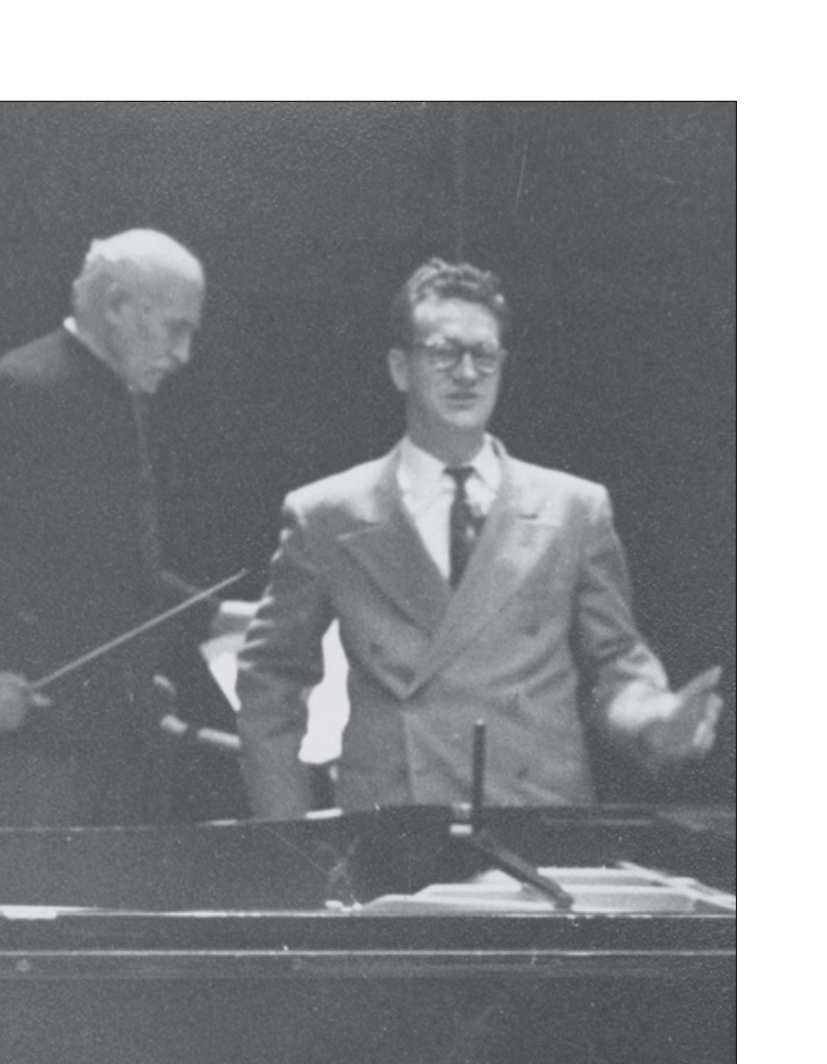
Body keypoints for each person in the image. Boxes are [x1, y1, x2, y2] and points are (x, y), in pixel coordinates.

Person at [236, 259, 722, 819]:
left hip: (540, 825)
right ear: (400, 366)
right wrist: (288, 836)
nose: (467, 373)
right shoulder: (326, 514)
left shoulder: (574, 508)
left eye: (484, 354)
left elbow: (616, 665)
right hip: (393, 830)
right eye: (444, 352)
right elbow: (269, 680)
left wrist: (654, 718)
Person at [0, 228, 219, 826]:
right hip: (25, 749)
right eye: (175, 327)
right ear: (117, 306)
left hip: (104, 746)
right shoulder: (20, 389)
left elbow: (100, 567)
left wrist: (214, 616)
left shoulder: (110, 395)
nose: (183, 353)